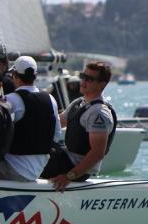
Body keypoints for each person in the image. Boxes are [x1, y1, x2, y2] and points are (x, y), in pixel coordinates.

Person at [45, 61, 117, 191]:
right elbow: (56, 123)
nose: (83, 81)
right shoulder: (78, 103)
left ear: (102, 84)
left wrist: (69, 177)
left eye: (89, 79)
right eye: (83, 76)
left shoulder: (99, 113)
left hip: (75, 169)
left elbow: (97, 153)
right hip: (65, 159)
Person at [0, 56, 60, 182]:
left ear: (14, 76)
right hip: (38, 170)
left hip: (13, 168)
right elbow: (56, 135)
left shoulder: (9, 99)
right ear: (36, 76)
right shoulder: (51, 99)